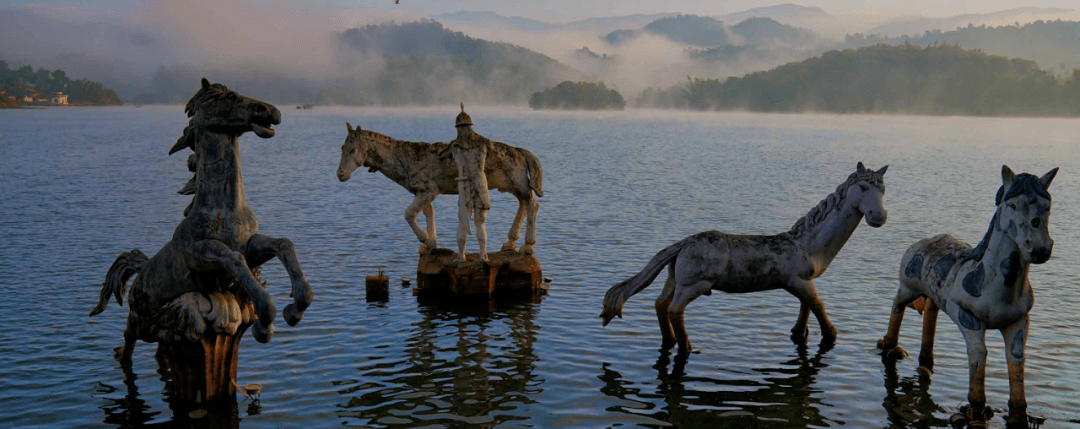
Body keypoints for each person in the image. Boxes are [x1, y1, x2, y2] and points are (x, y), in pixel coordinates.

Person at [441, 103, 491, 261]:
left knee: (476, 222)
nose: (461, 131)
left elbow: (441, 155)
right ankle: (467, 254)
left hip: (473, 185)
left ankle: (480, 254)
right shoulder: (482, 143)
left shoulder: (456, 146)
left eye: (461, 128)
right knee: (467, 222)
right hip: (471, 184)